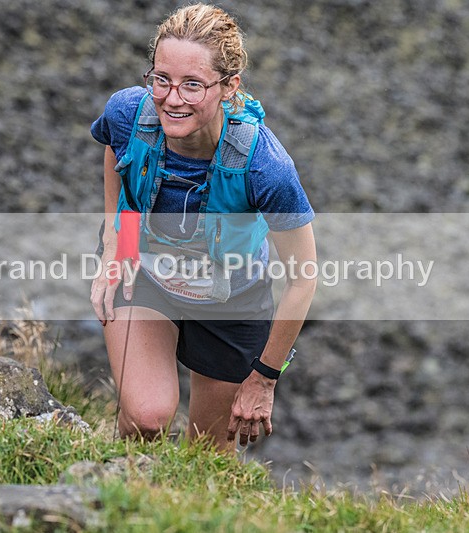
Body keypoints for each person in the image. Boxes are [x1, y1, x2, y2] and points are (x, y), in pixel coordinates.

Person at [89, 3, 316, 452]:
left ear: (229, 86)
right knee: (145, 419)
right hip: (146, 276)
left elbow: (303, 280)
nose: (172, 98)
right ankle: (122, 501)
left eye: (193, 85)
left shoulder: (265, 167)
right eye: (161, 79)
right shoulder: (128, 114)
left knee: (208, 460)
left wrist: (266, 378)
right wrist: (116, 241)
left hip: (230, 300)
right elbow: (115, 153)